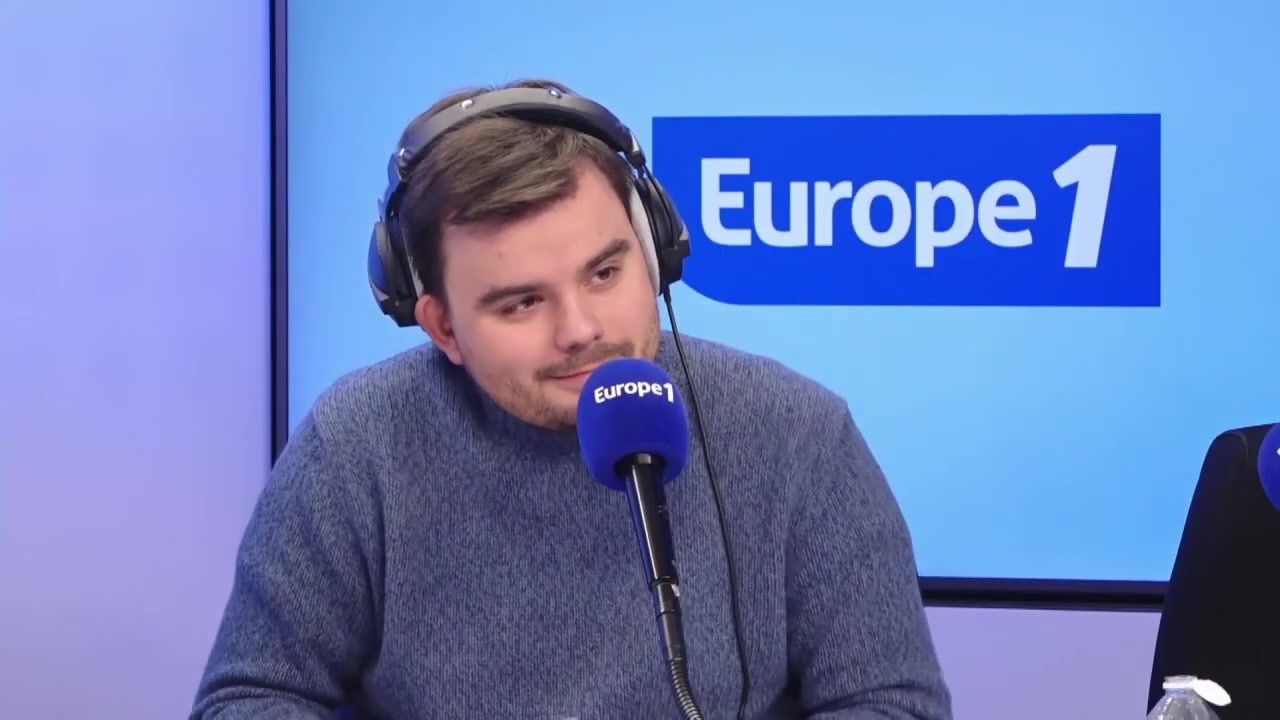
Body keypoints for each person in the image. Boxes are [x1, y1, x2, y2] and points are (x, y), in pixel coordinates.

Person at [191, 78, 952, 720]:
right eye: (523, 302)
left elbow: (892, 704)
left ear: (655, 251)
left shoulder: (795, 432)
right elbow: (251, 698)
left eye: (605, 273)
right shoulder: (358, 445)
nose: (582, 330)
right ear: (443, 326)